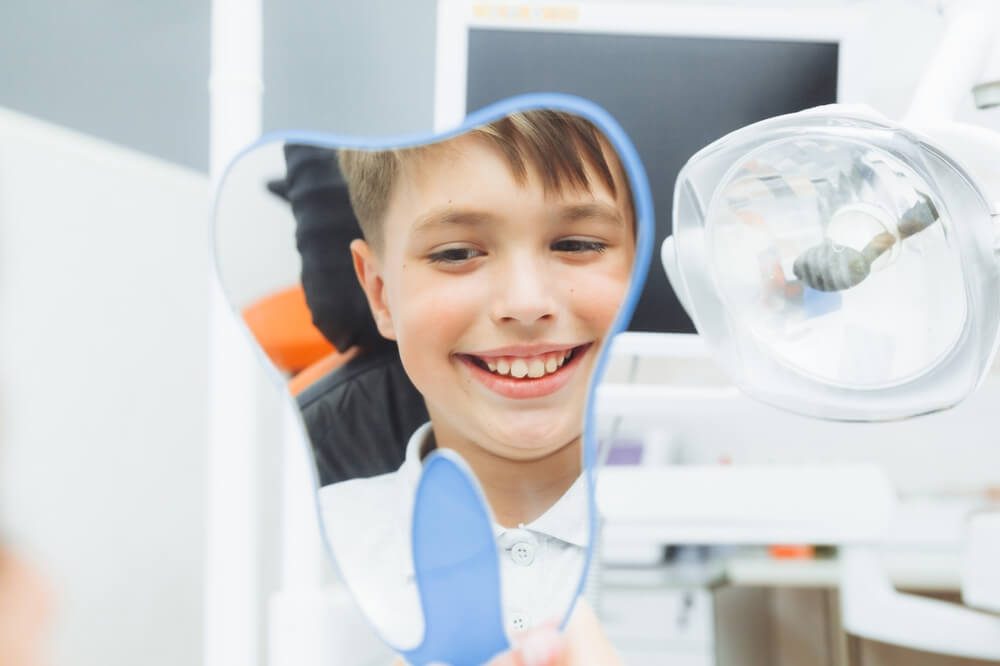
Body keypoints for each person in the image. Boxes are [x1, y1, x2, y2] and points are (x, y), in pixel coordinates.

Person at [320, 110, 635, 650]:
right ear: (379, 293)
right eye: (457, 253)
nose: (526, 303)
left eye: (577, 244)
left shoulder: (732, 533)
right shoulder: (308, 548)